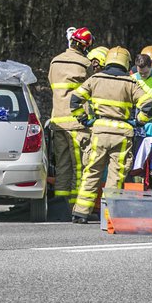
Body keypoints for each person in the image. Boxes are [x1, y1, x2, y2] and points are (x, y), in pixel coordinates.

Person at [69, 45, 152, 224]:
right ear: (126, 63)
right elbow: (147, 104)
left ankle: (80, 213)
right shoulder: (131, 83)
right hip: (122, 135)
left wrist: (84, 120)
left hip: (99, 132)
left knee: (92, 172)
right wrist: (138, 121)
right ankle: (108, 215)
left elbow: (75, 99)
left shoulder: (95, 79)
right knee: (115, 176)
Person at [46, 27, 94, 203]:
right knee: (80, 167)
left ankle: (61, 204)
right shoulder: (85, 64)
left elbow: (52, 83)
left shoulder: (55, 61)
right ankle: (76, 205)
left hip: (58, 122)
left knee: (62, 166)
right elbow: (92, 89)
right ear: (85, 46)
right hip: (77, 123)